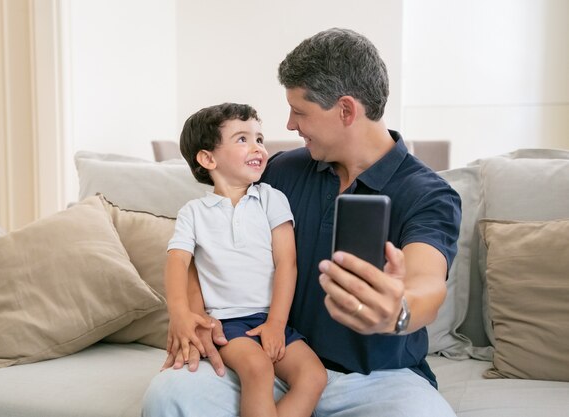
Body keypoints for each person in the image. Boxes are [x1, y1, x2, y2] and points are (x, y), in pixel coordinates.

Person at [143, 28, 461, 417]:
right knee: (170, 394)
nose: (290, 125)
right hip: (272, 358)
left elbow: (427, 282)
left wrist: (400, 309)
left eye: (300, 111)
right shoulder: (282, 171)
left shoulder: (428, 193)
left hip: (378, 379)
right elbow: (199, 249)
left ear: (346, 110)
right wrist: (193, 314)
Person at [162, 102, 327, 417]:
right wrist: (180, 313)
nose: (258, 148)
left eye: (260, 139)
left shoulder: (272, 199)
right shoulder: (193, 213)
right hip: (227, 323)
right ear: (208, 158)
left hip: (270, 319)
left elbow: (286, 264)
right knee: (258, 369)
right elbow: (177, 263)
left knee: (314, 376)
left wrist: (277, 324)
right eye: (242, 139)